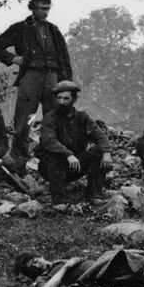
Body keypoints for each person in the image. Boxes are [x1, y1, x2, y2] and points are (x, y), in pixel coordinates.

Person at [0, 0, 73, 172]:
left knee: (56, 119)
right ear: (33, 7)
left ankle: (53, 160)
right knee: (24, 121)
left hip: (53, 79)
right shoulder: (20, 28)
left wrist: (67, 86)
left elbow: (64, 60)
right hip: (31, 77)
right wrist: (13, 59)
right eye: (41, 7)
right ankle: (18, 159)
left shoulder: (54, 31)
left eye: (47, 8)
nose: (44, 11)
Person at [35, 80, 108, 209]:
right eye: (59, 98)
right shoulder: (50, 118)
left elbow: (100, 136)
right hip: (51, 168)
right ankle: (59, 200)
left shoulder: (82, 117)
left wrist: (106, 152)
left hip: (75, 165)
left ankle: (94, 195)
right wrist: (68, 154)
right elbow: (48, 141)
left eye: (66, 98)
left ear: (74, 99)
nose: (62, 102)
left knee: (100, 151)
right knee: (54, 155)